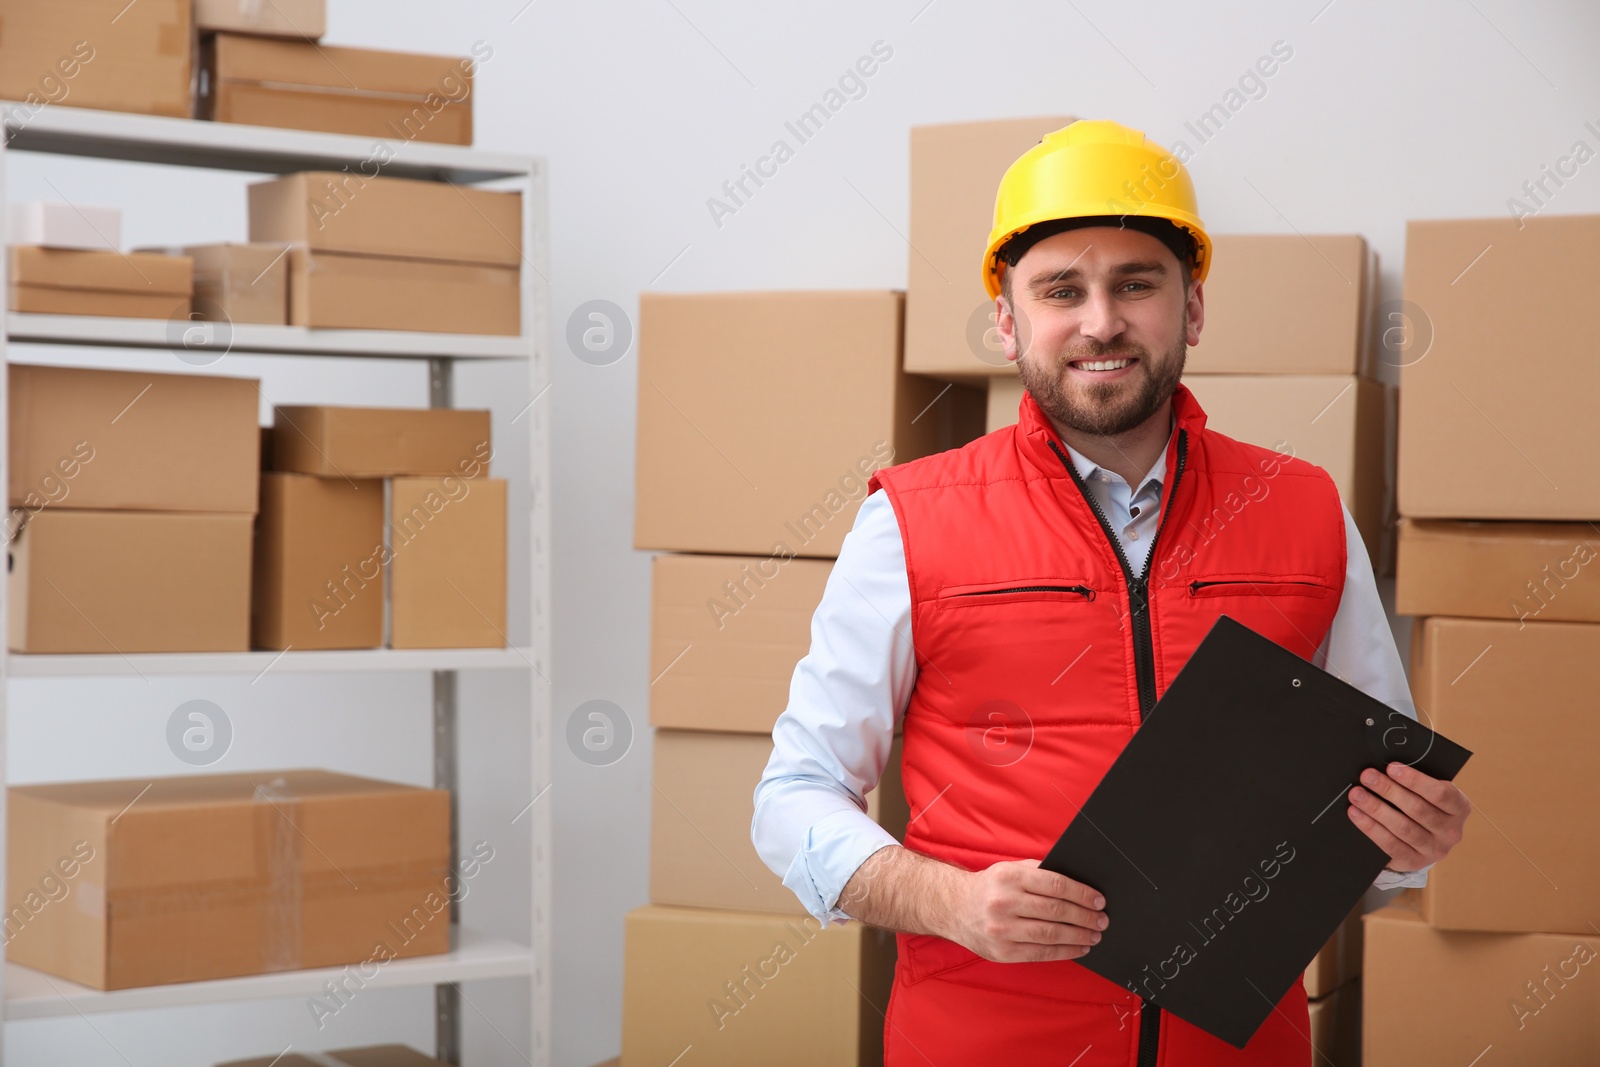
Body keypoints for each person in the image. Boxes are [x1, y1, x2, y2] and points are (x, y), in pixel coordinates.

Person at [751, 119, 1470, 1066]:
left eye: (1137, 283)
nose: (1101, 321)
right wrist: (951, 902)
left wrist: (1412, 840)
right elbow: (793, 798)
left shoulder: (1303, 509)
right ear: (1007, 321)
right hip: (987, 1042)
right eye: (1061, 290)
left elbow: (1374, 802)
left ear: (1193, 308)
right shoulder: (913, 520)